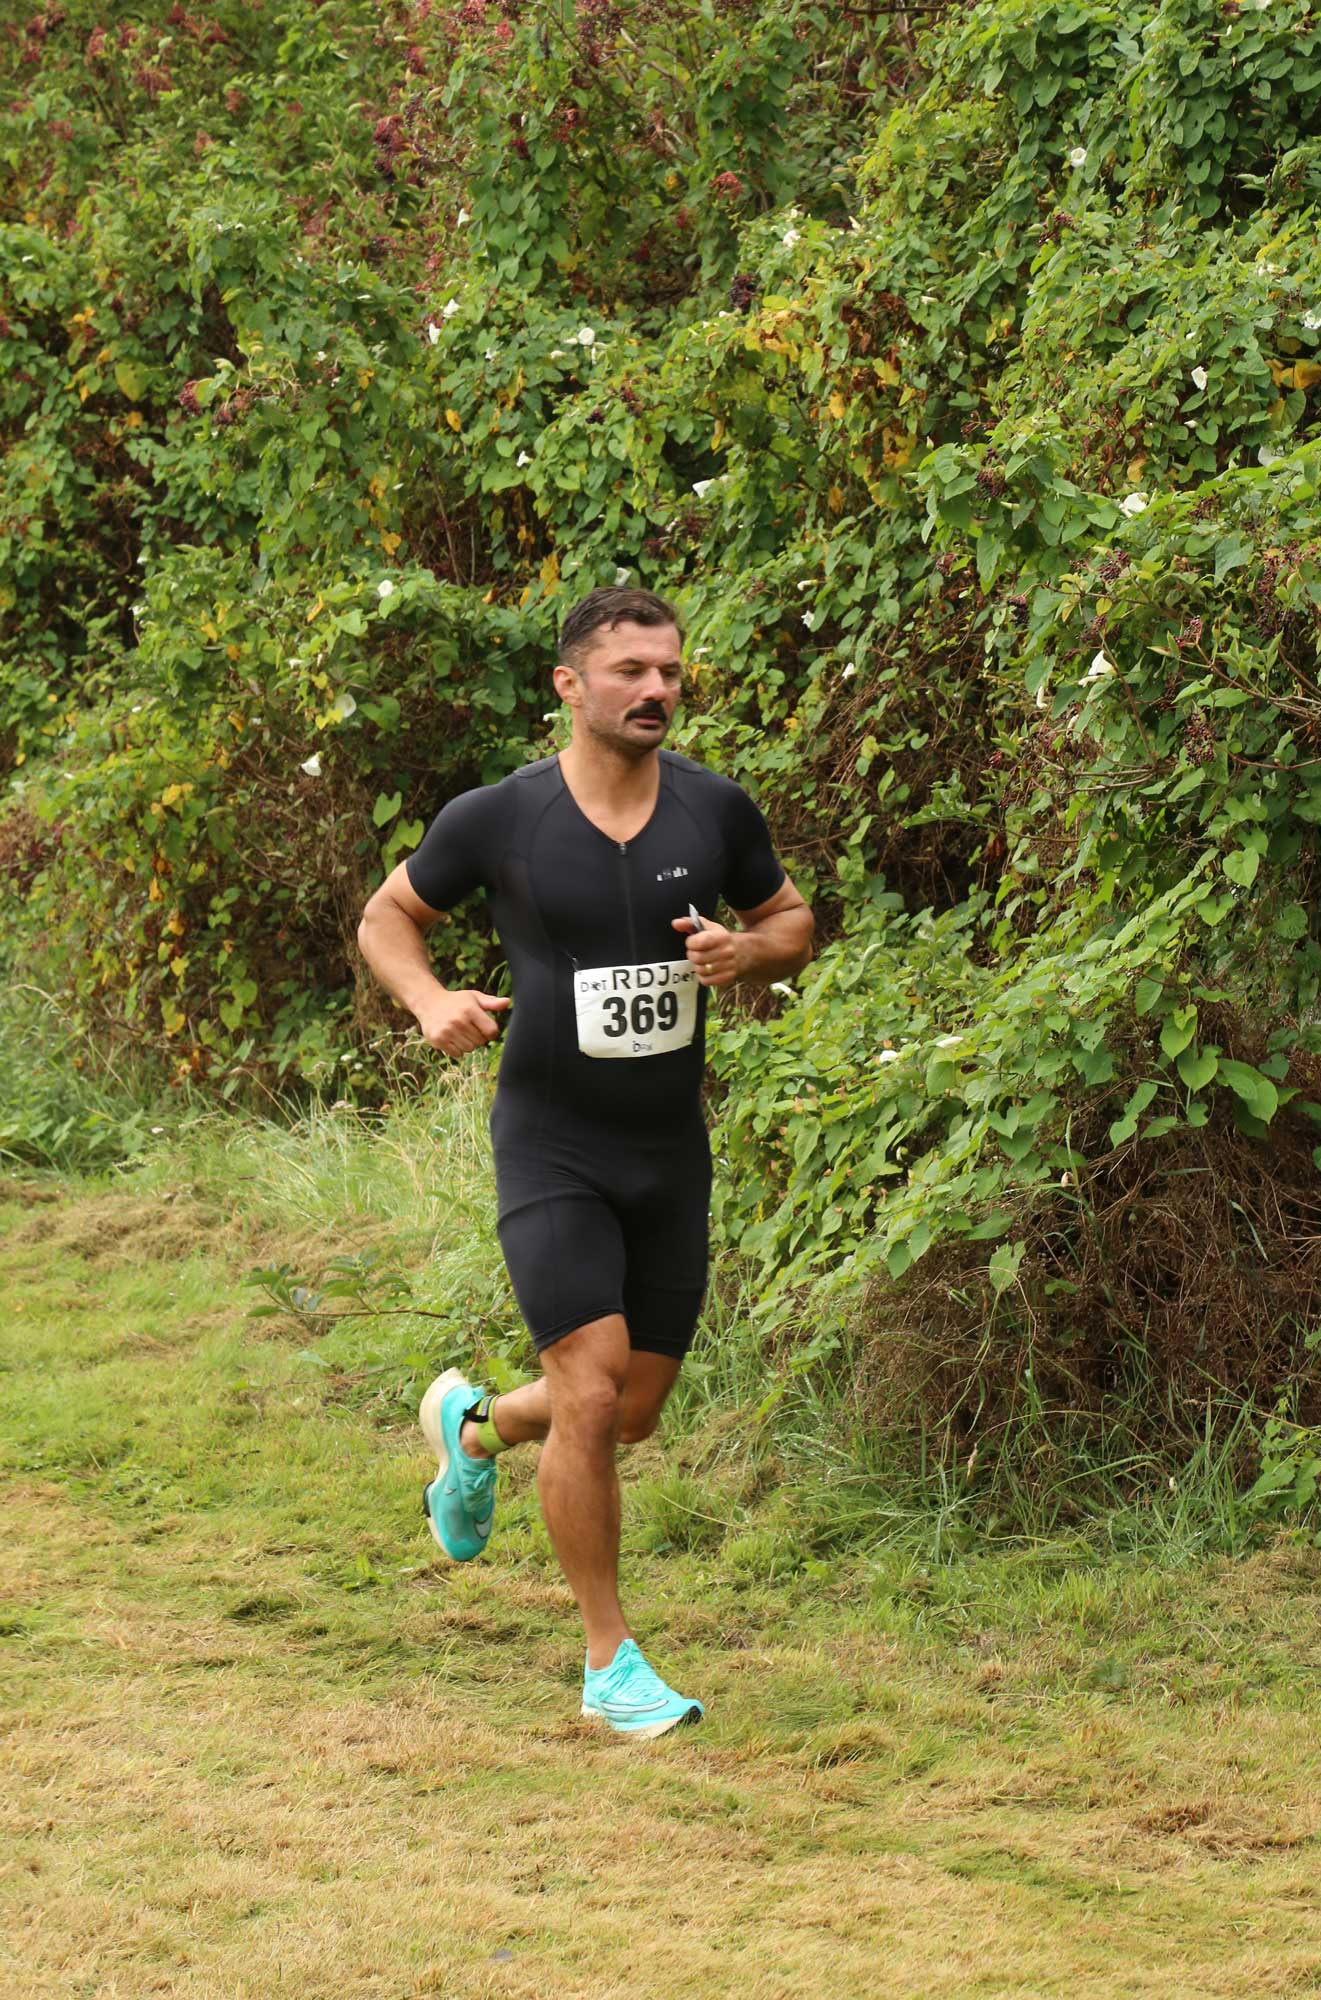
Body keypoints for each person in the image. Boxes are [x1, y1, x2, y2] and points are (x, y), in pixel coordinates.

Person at [356, 586, 814, 1737]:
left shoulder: (714, 809)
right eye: (630, 671)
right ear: (570, 685)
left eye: (669, 670)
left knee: (628, 1410)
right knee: (593, 1385)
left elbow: (792, 921)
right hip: (550, 1141)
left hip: (669, 1149)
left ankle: (474, 1428)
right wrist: (428, 999)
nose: (657, 689)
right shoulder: (499, 817)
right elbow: (386, 918)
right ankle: (610, 1660)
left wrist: (747, 950)